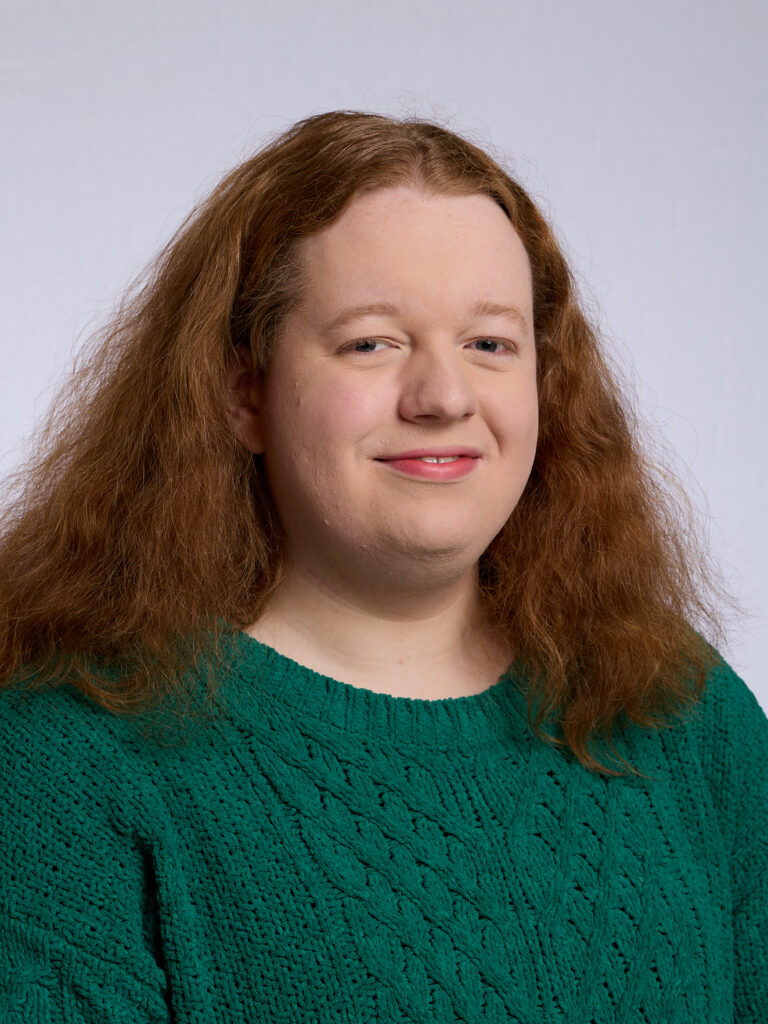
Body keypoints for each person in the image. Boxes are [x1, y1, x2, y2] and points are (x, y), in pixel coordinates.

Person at [0, 109, 765, 1023]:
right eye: (372, 342)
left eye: (490, 344)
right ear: (245, 394)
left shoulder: (679, 706)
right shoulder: (74, 756)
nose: (443, 397)